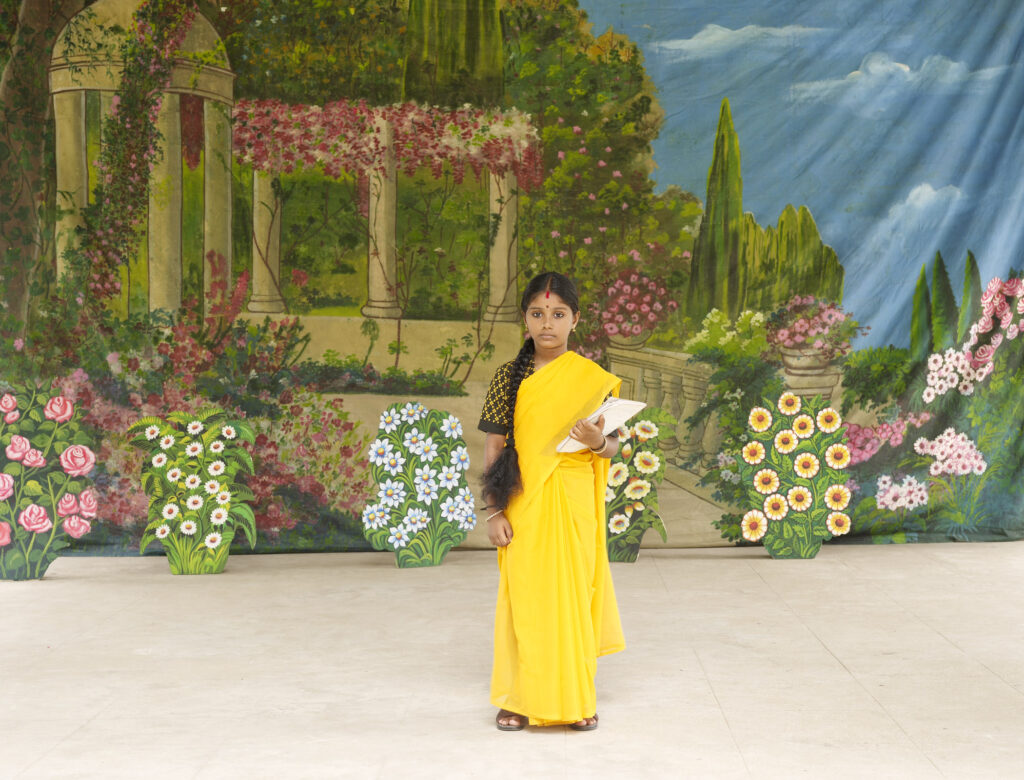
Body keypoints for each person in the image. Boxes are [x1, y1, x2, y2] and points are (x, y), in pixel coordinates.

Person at [478, 271, 625, 732]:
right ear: (525, 318)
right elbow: (494, 447)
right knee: (526, 598)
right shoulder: (509, 377)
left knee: (574, 597)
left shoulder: (591, 379)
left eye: (558, 314)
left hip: (575, 500)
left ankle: (579, 698)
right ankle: (519, 698)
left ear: (575, 320)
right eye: (538, 314)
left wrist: (598, 439)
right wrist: (496, 510)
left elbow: (614, 447)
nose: (548, 324)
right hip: (525, 499)